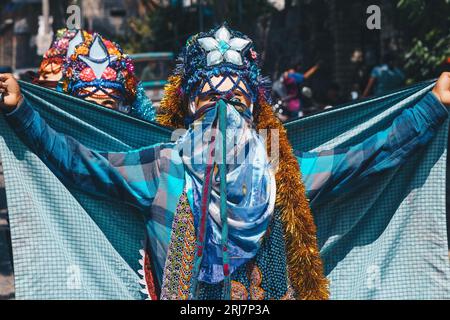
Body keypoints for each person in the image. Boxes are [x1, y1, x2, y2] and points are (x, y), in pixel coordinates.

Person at [1, 24, 449, 300]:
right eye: (210, 99)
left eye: (235, 100)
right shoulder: (164, 165)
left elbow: (364, 158)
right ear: (189, 107)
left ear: (255, 110)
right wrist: (22, 111)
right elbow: (80, 163)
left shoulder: (281, 171)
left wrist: (434, 105)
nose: (222, 113)